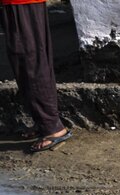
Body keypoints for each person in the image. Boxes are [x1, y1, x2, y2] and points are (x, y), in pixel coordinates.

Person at [1, 0, 71, 152]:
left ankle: (52, 126)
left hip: (20, 3)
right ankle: (45, 122)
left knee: (28, 59)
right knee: (34, 57)